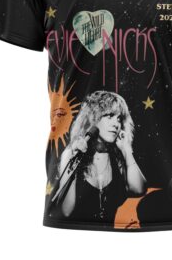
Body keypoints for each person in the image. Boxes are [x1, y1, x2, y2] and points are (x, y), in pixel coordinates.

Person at [51, 90, 147, 224]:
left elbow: (139, 189)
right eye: (110, 116)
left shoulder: (118, 157)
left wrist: (127, 150)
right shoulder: (72, 153)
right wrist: (72, 161)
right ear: (93, 118)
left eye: (119, 118)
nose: (116, 124)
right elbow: (66, 212)